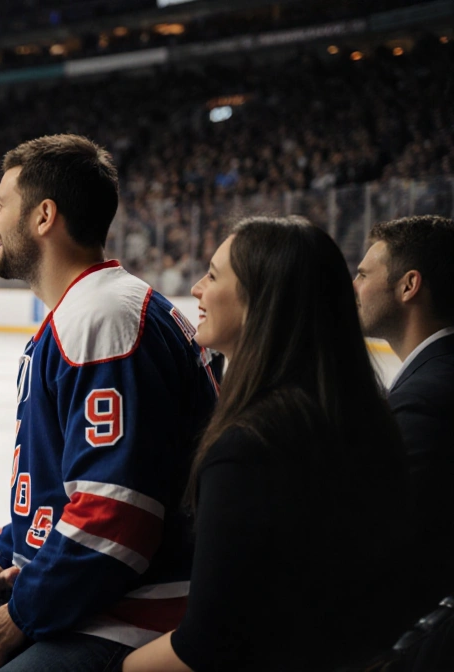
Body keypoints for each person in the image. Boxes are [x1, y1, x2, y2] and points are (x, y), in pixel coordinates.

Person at [0, 134, 218, 671]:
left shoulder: (102, 319)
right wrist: (8, 552)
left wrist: (26, 610)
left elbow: (116, 516)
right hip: (92, 599)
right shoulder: (92, 309)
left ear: (43, 216)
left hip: (129, 616)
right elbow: (65, 479)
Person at [123, 216, 412, 672]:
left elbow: (207, 644)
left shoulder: (250, 446)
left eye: (214, 275)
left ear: (263, 300)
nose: (197, 288)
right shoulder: (355, 413)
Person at [354, 214, 454, 615]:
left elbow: (387, 549)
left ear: (409, 285)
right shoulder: (433, 379)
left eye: (363, 274)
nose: (355, 286)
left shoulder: (424, 399)